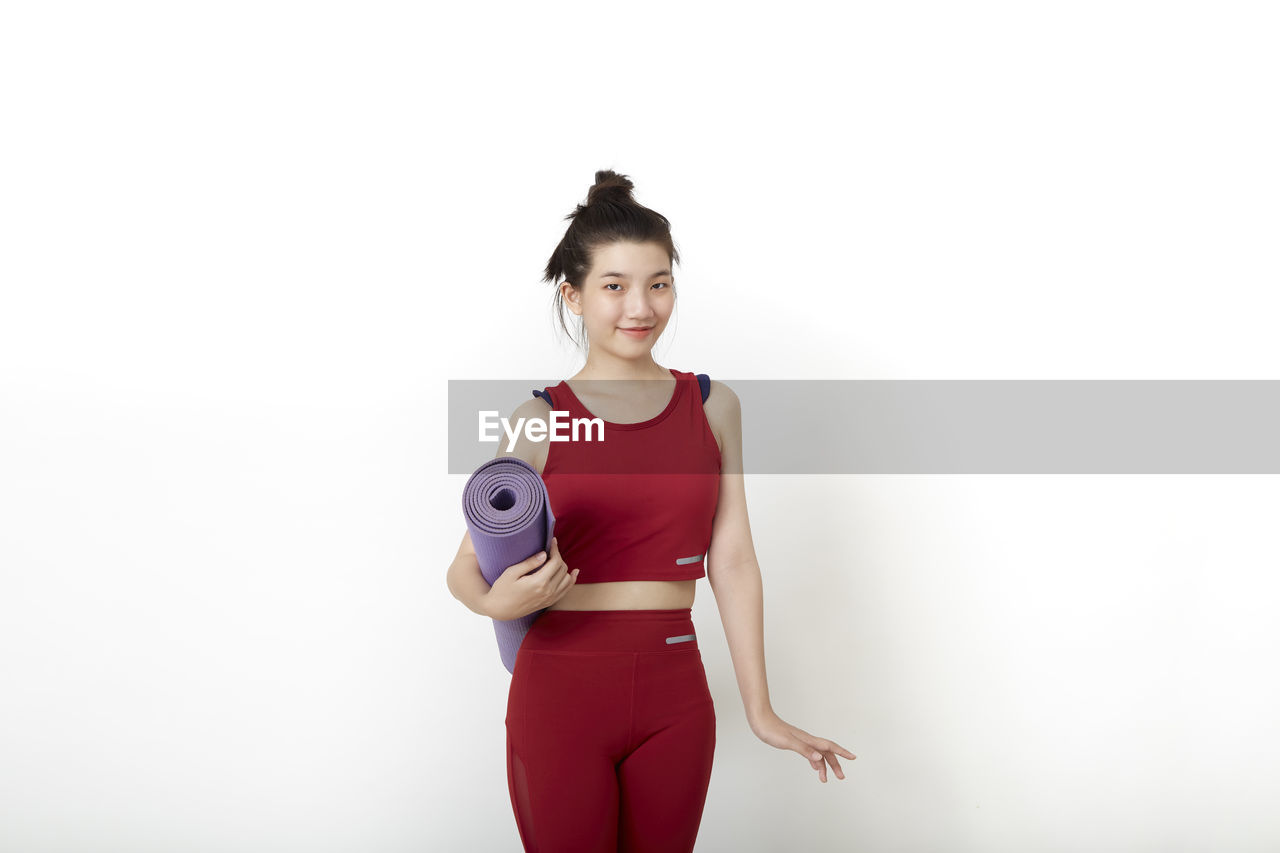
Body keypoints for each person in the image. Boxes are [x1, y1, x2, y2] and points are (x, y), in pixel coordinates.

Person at [446, 169, 855, 852]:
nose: (640, 305)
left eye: (658, 282)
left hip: (675, 692)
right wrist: (494, 603)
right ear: (573, 296)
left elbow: (733, 559)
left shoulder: (711, 406)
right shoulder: (543, 421)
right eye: (614, 286)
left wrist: (761, 708)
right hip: (559, 692)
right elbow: (464, 566)